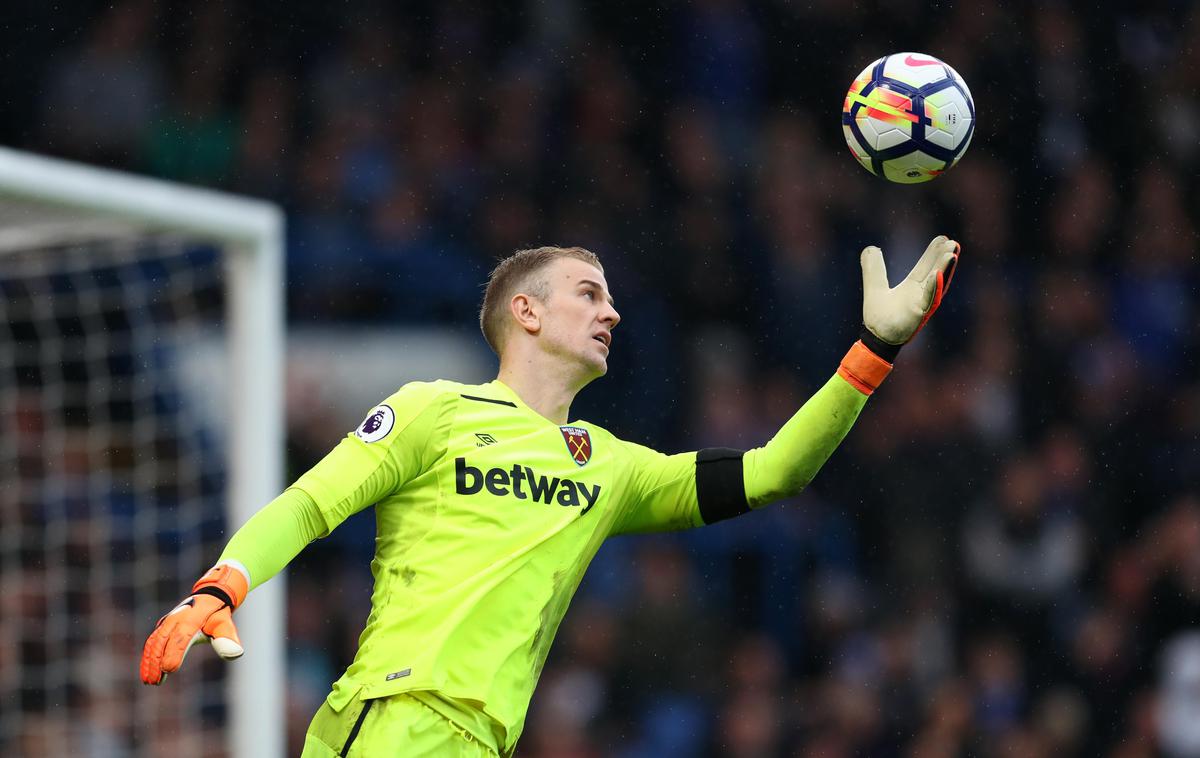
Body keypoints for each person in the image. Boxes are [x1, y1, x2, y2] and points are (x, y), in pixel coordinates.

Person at [140, 238, 961, 757]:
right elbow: (313, 503)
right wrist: (225, 582)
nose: (612, 310)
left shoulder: (609, 466)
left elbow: (776, 470)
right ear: (525, 312)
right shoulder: (436, 409)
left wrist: (874, 350)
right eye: (588, 292)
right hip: (397, 721)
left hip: (490, 741)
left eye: (609, 296)